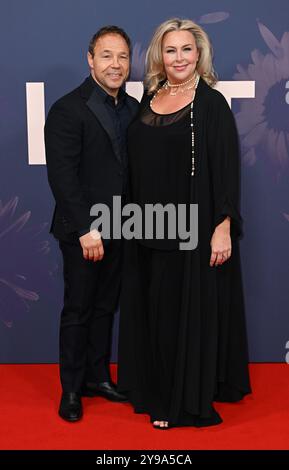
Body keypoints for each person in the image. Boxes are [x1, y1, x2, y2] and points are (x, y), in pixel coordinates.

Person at [117, 18, 251, 429]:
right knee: (154, 312)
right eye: (171, 49)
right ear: (160, 54)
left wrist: (223, 226)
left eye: (186, 50)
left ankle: (179, 404)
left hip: (191, 231)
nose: (179, 57)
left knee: (180, 313)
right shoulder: (150, 96)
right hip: (146, 227)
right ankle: (152, 387)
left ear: (199, 54)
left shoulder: (211, 104)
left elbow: (227, 171)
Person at [44, 25, 139, 422]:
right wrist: (86, 229)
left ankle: (98, 377)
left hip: (123, 226)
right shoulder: (68, 108)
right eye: (106, 56)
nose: (115, 65)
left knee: (106, 307)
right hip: (84, 230)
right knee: (79, 308)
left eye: (122, 57)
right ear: (90, 59)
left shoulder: (133, 109)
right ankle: (71, 389)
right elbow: (62, 176)